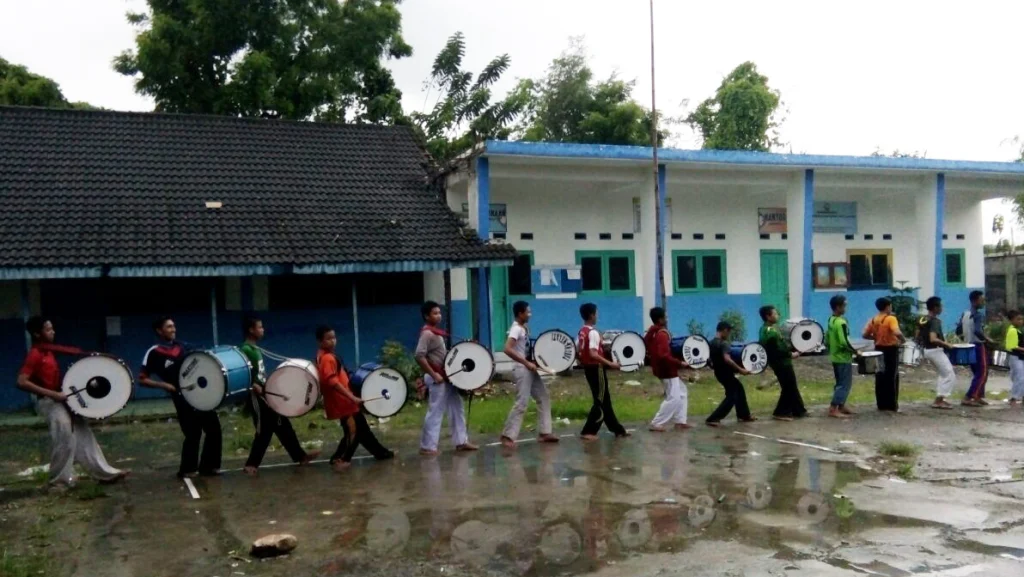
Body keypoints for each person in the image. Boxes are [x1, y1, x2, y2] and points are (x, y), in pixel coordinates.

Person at [17, 316, 127, 488]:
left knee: (83, 432)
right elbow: (22, 382)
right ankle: (58, 482)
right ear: (37, 334)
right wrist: (53, 394)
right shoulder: (35, 354)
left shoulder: (49, 351)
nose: (52, 332)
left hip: (60, 399)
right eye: (48, 329)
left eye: (52, 328)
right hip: (48, 402)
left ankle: (104, 473)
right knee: (65, 436)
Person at [139, 316, 222, 478]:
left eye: (174, 326)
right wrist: (164, 385)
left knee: (214, 429)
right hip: (181, 397)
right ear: (159, 331)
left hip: (200, 394)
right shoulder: (154, 352)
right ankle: (188, 469)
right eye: (169, 327)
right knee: (193, 433)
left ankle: (209, 467)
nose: (173, 329)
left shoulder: (183, 347)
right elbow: (142, 379)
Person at [240, 316, 319, 476]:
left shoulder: (256, 349)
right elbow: (243, 372)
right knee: (263, 430)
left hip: (266, 393)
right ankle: (251, 464)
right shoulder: (245, 350)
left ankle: (300, 456)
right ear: (251, 330)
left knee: (282, 424)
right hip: (257, 396)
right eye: (260, 327)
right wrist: (252, 384)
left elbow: (260, 373)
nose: (262, 330)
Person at [315, 325, 393, 471]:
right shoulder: (326, 358)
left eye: (334, 337)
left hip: (346, 401)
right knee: (354, 431)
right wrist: (351, 397)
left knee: (362, 429)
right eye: (328, 339)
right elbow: (331, 381)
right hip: (344, 402)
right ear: (320, 342)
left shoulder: (327, 356)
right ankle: (343, 459)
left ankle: (382, 453)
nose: (333, 341)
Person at [416, 301, 478, 456]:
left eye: (439, 312)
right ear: (426, 316)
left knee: (457, 408)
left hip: (447, 378)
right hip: (438, 378)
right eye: (435, 313)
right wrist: (433, 374)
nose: (438, 316)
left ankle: (461, 441)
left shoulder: (435, 333)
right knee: (435, 411)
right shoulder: (427, 334)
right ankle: (427, 447)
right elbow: (419, 355)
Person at [500, 301, 558, 448]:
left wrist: (534, 362)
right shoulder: (516, 329)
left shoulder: (524, 328)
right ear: (520, 313)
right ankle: (508, 436)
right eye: (528, 312)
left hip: (530, 368)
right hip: (522, 368)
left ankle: (545, 432)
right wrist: (526, 363)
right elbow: (507, 349)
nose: (530, 315)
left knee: (543, 396)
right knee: (522, 402)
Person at [578, 302, 629, 440]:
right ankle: (589, 431)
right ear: (592, 315)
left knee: (605, 400)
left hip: (589, 368)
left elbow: (580, 350)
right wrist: (611, 364)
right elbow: (593, 353)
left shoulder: (582, 331)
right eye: (596, 313)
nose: (597, 315)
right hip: (596, 368)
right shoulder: (593, 332)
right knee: (600, 401)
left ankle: (618, 429)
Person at [644, 307, 691, 432]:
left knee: (682, 392)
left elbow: (648, 345)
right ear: (660, 319)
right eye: (665, 317)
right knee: (674, 397)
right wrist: (680, 363)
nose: (667, 318)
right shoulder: (662, 335)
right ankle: (657, 422)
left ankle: (680, 421)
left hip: (661, 369)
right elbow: (663, 355)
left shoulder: (653, 332)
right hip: (667, 371)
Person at [758, 305, 807, 421]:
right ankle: (780, 412)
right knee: (788, 387)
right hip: (781, 363)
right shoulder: (770, 332)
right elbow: (776, 349)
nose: (777, 315)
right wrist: (791, 354)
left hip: (782, 362)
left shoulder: (767, 329)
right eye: (775, 314)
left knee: (792, 386)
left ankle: (799, 410)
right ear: (768, 316)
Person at [706, 321, 754, 427]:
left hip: (719, 373)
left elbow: (708, 360)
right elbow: (727, 359)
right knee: (732, 396)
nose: (728, 334)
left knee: (739, 389)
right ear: (724, 330)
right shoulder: (724, 343)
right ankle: (713, 418)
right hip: (726, 373)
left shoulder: (711, 343)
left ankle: (744, 415)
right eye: (728, 332)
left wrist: (714, 366)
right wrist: (741, 370)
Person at [862, 297, 906, 412]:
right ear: (888, 306)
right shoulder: (891, 318)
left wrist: (875, 337)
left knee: (880, 376)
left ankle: (881, 404)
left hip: (878, 349)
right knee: (892, 376)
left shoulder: (873, 319)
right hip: (890, 350)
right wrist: (903, 339)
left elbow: (864, 334)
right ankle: (892, 405)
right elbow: (896, 331)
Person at [918, 296, 957, 409]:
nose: (942, 308)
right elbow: (933, 338)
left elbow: (917, 335)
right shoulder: (935, 321)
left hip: (926, 350)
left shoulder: (923, 319)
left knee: (943, 373)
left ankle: (940, 398)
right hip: (935, 350)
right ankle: (939, 400)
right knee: (949, 373)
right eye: (940, 306)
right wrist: (947, 344)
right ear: (935, 308)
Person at [826, 295, 860, 419]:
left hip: (835, 356)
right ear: (838, 307)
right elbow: (844, 341)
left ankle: (841, 405)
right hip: (843, 357)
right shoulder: (841, 322)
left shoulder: (831, 320)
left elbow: (827, 337)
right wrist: (855, 351)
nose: (846, 308)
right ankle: (833, 408)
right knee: (844, 384)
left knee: (840, 382)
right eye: (844, 305)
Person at [960, 290, 994, 406]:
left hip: (968, 345)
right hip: (978, 345)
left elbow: (958, 330)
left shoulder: (965, 314)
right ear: (975, 301)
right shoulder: (978, 315)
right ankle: (969, 396)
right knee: (982, 372)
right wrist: (987, 339)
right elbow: (978, 331)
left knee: (977, 372)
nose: (983, 302)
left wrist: (965, 339)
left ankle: (978, 395)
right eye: (982, 300)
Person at [1004, 310, 1024, 406]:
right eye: (1018, 319)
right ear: (1011, 320)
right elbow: (1012, 346)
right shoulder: (1013, 331)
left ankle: (1020, 395)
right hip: (1015, 357)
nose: (1021, 321)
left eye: (1021, 319)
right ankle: (1014, 397)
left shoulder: (1017, 330)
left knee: (1019, 377)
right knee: (1019, 377)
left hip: (1019, 357)